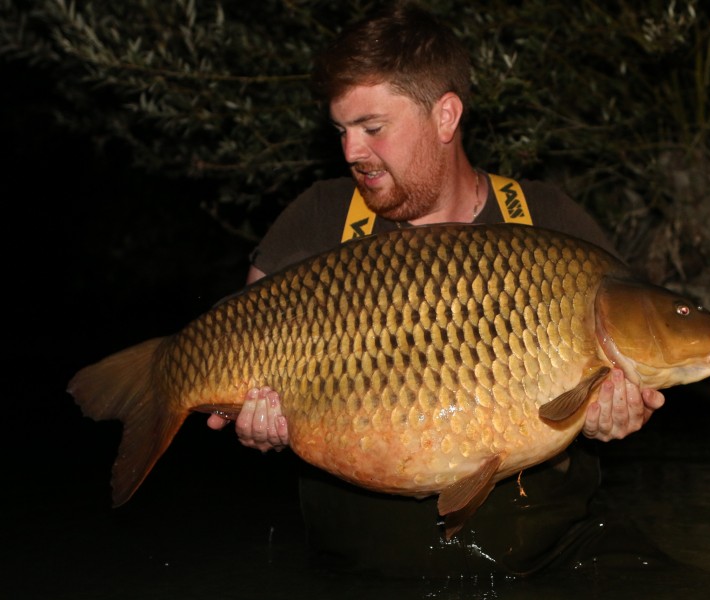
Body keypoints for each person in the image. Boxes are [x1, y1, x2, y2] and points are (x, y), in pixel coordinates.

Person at [207, 2, 665, 577]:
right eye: (342, 131)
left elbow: (630, 370)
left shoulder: (549, 220)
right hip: (366, 566)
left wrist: (616, 416)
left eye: (373, 128)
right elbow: (237, 335)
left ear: (446, 116)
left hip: (547, 558)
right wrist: (258, 424)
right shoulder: (318, 220)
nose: (351, 151)